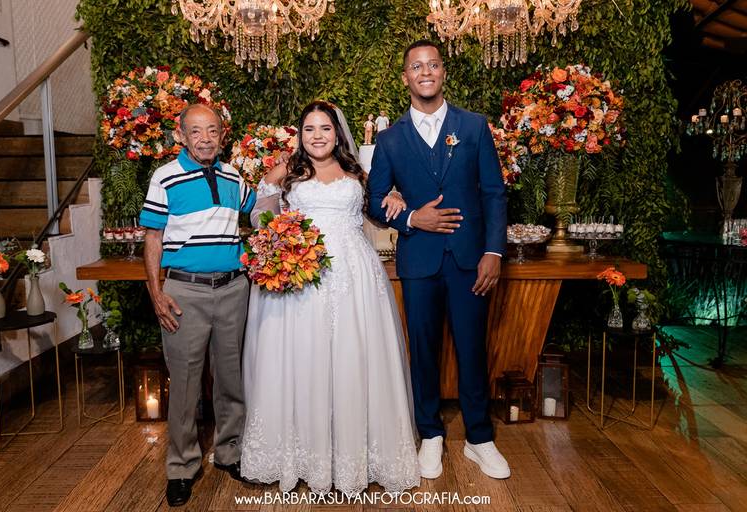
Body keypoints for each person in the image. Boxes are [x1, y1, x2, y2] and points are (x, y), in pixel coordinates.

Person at [240, 100, 421, 495]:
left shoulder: (357, 172)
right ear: (300, 135)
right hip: (304, 276)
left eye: (325, 128)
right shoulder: (287, 171)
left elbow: (377, 210)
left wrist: (395, 198)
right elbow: (260, 215)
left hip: (354, 277)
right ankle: (302, 455)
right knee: (304, 357)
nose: (317, 136)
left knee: (353, 357)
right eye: (309, 129)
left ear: (337, 133)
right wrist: (280, 238)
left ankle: (354, 454)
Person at [367, 40, 510, 481]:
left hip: (470, 260)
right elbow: (374, 200)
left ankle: (479, 438)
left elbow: (494, 192)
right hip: (419, 262)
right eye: (416, 66)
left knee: (472, 348)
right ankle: (429, 433)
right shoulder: (390, 139)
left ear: (443, 72)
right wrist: (413, 218)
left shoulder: (474, 126)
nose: (425, 72)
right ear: (405, 78)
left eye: (432, 64)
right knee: (423, 351)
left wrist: (493, 252)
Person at [140, 103, 255, 507]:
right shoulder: (165, 177)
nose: (205, 139)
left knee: (231, 377)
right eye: (196, 131)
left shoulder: (233, 176)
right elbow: (153, 237)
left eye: (212, 131)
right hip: (184, 293)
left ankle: (230, 452)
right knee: (186, 383)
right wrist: (156, 293)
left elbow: (261, 204)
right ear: (181, 135)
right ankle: (182, 467)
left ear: (222, 135)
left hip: (233, 289)